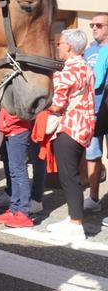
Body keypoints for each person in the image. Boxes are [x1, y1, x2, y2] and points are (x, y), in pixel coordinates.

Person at [47, 29, 95, 243]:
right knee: (72, 174)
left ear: (69, 47)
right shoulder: (86, 68)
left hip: (69, 126)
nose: (58, 46)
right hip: (84, 126)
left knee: (69, 177)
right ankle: (72, 218)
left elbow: (57, 104)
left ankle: (76, 224)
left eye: (60, 43)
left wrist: (44, 106)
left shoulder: (65, 72)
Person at [0, 108, 47, 228]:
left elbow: (25, 108)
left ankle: (23, 212)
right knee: (14, 171)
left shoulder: (23, 89)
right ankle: (14, 209)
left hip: (17, 130)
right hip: (10, 129)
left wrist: (7, 122)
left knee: (19, 171)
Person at [83, 12, 108, 211]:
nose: (94, 28)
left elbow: (97, 80)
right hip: (92, 111)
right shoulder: (89, 50)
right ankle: (93, 198)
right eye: (92, 24)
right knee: (92, 155)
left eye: (99, 25)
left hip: (106, 108)